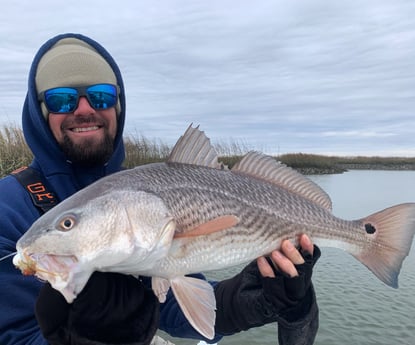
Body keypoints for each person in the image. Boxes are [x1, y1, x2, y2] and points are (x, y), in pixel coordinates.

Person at [0, 33, 320, 345]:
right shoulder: (8, 207)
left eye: (101, 96)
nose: (84, 109)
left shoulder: (144, 197)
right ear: (40, 112)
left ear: (118, 106)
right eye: (62, 99)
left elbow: (174, 310)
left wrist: (252, 299)